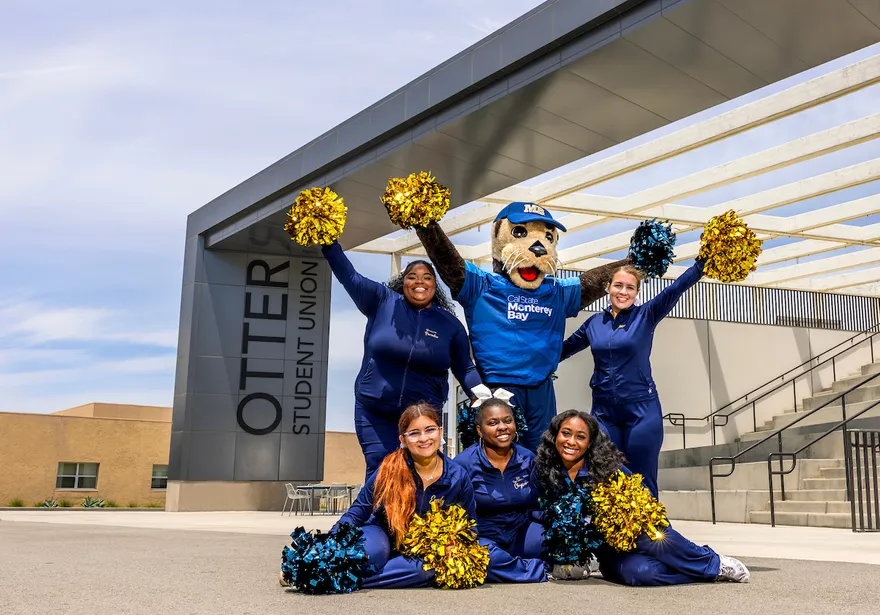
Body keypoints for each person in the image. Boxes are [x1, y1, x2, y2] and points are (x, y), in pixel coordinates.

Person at [332, 403, 547, 588]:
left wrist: (456, 544)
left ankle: (352, 580)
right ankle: (355, 570)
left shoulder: (456, 475)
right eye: (414, 433)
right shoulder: (389, 469)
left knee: (427, 569)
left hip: (423, 548)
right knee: (372, 556)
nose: (423, 438)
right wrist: (329, 540)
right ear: (403, 439)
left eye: (430, 430)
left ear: (440, 432)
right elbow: (358, 511)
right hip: (383, 533)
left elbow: (470, 524)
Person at [533, 409, 750, 586]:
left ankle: (714, 564)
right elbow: (541, 512)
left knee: (654, 538)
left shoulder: (608, 471)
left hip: (640, 535)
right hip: (609, 552)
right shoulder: (545, 471)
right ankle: (700, 573)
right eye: (566, 433)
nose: (571, 441)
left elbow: (646, 504)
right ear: (555, 436)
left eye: (580, 437)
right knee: (640, 575)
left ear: (590, 443)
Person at [322, 242, 482, 479]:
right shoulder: (381, 301)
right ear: (402, 282)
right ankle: (378, 516)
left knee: (420, 470)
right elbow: (349, 276)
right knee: (380, 466)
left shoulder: (450, 325)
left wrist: (483, 396)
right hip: (374, 408)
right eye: (412, 276)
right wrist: (329, 244)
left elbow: (465, 368)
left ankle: (420, 516)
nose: (420, 281)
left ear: (434, 286)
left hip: (422, 414)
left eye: (427, 277)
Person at [560, 261, 704, 496]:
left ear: (637, 292)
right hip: (604, 413)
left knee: (643, 481)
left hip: (642, 411)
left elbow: (676, 288)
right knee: (605, 477)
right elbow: (562, 351)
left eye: (630, 287)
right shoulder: (594, 323)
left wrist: (702, 264)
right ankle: (608, 533)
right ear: (608, 287)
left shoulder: (646, 315)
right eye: (618, 285)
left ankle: (654, 532)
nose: (623, 292)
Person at [453, 394, 546, 583]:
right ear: (480, 430)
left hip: (520, 531)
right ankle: (537, 570)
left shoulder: (527, 458)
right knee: (482, 558)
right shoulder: (464, 463)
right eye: (493, 423)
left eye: (507, 421)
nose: (502, 427)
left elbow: (539, 501)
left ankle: (510, 566)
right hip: (484, 536)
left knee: (551, 542)